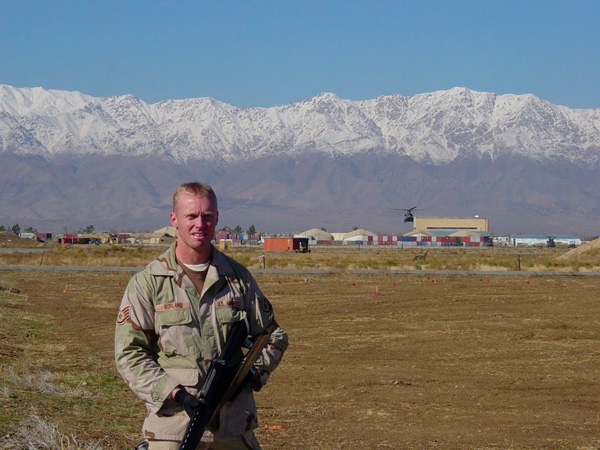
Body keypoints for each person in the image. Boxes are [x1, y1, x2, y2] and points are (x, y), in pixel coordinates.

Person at [115, 182, 288, 450]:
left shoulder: (237, 279)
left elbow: (273, 335)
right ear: (174, 220)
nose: (200, 224)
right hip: (174, 428)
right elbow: (129, 354)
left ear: (217, 218)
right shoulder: (149, 283)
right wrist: (174, 393)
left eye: (207, 216)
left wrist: (248, 373)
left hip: (232, 427)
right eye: (191, 216)